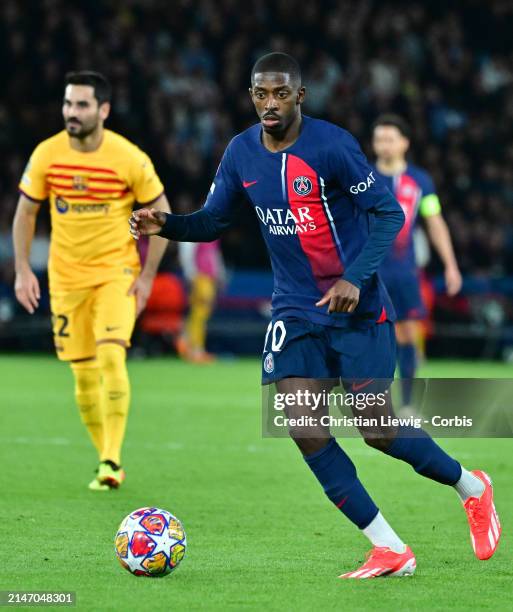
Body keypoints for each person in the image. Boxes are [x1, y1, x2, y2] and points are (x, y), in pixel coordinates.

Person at [129, 53, 500, 577]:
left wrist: (355, 278)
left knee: (377, 429)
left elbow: (389, 213)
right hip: (295, 310)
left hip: (357, 307)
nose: (269, 104)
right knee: (303, 424)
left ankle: (471, 486)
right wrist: (164, 223)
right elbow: (214, 221)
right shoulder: (240, 153)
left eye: (280, 94)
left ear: (299, 96)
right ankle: (389, 547)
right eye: (260, 94)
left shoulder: (333, 146)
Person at [13, 71, 170, 490]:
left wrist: (148, 277)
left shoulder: (128, 158)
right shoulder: (47, 154)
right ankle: (107, 458)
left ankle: (110, 459)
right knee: (82, 375)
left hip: (114, 273)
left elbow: (162, 213)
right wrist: (24, 269)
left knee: (112, 357)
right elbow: (26, 212)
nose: (72, 113)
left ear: (103, 109)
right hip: (65, 279)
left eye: (81, 105)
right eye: (68, 104)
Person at [372, 115, 462, 410]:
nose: (382, 145)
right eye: (378, 139)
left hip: (404, 271)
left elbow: (434, 222)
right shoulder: (364, 179)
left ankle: (408, 405)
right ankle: (370, 403)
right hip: (370, 271)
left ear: (404, 143)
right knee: (372, 337)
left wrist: (450, 264)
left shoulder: (421, 181)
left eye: (389, 138)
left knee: (409, 333)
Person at [176, 240, 224, 363]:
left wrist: (220, 275)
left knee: (202, 314)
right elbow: (186, 254)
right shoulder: (194, 226)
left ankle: (192, 346)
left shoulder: (211, 230)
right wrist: (191, 275)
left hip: (209, 278)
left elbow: (215, 255)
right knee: (199, 313)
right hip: (200, 277)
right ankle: (194, 349)